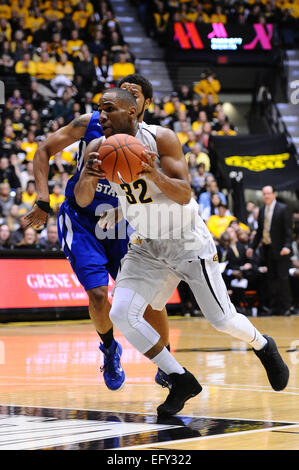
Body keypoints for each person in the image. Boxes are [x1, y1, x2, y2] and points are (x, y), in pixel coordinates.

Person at [83, 87, 289, 417]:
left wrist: (153, 173)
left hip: (186, 240)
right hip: (148, 245)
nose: (100, 116)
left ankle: (263, 345)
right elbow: (123, 197)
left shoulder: (161, 138)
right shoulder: (102, 148)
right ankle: (180, 379)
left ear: (132, 112)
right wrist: (109, 200)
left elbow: (182, 193)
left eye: (107, 109)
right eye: (98, 109)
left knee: (222, 319)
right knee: (121, 312)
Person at [24, 74, 171, 392]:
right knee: (98, 295)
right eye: (123, 92)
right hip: (83, 221)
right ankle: (109, 348)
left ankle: (166, 361)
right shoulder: (90, 124)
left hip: (125, 223)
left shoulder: (153, 138)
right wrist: (41, 199)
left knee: (150, 299)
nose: (128, 98)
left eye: (135, 94)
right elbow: (43, 149)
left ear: (146, 104)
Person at [246, 186, 294, 316]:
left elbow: (288, 232)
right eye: (264, 194)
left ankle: (287, 307)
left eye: (268, 194)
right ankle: (274, 307)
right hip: (267, 249)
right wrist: (251, 247)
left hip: (281, 250)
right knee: (271, 279)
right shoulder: (262, 210)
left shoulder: (283, 209)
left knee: (282, 279)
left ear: (273, 194)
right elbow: (259, 233)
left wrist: (287, 246)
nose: (266, 196)